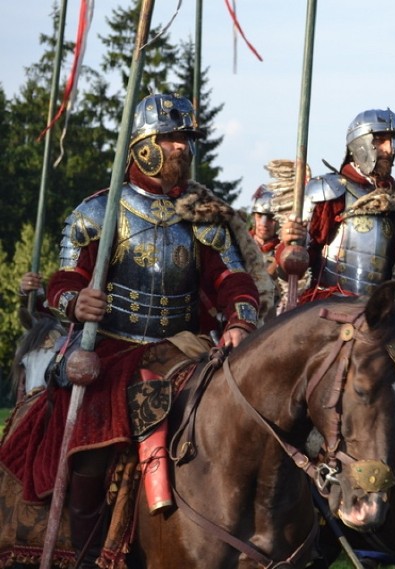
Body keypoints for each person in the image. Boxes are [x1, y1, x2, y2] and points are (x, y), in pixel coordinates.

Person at [0, 93, 265, 568]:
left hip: (182, 347)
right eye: (173, 137)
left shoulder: (201, 215)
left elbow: (230, 278)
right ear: (144, 145)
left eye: (186, 139)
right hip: (112, 348)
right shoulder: (99, 212)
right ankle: (85, 553)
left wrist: (241, 318)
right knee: (90, 438)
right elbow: (64, 282)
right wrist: (76, 301)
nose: (183, 148)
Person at [278, 108, 395, 310]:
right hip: (326, 307)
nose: (389, 149)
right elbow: (291, 266)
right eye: (380, 140)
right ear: (360, 144)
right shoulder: (328, 191)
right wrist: (290, 245)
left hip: (381, 314)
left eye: (393, 142)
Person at [248, 184, 281, 315]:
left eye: (270, 217)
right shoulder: (238, 245)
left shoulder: (283, 250)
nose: (263, 223)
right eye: (259, 215)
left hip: (274, 317)